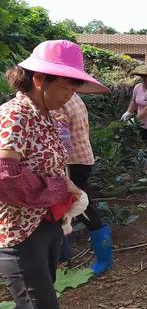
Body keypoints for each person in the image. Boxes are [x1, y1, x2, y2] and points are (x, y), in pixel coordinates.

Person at [0, 40, 107, 309]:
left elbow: (52, 165)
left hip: (46, 225)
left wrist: (70, 187)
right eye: (65, 89)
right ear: (39, 79)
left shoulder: (44, 115)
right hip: (21, 236)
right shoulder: (15, 116)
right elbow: (5, 176)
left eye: (74, 90)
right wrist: (58, 190)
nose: (69, 96)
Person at [53, 93, 113, 275]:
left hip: (72, 161)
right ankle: (62, 257)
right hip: (81, 157)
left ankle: (105, 258)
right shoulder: (72, 94)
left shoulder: (57, 98)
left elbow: (60, 137)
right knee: (60, 208)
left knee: (82, 208)